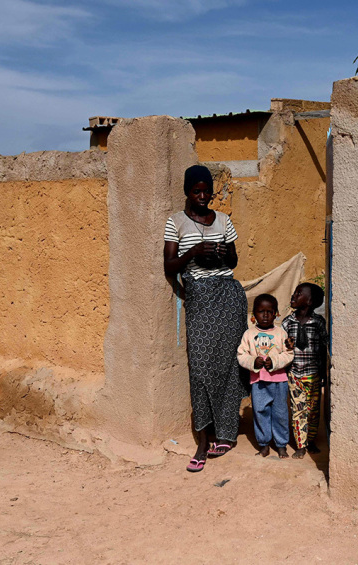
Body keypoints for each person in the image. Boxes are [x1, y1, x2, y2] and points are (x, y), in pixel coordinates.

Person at [163, 165, 247, 473]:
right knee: (200, 369)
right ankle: (203, 438)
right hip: (198, 297)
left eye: (206, 192)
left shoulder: (223, 220)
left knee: (228, 366)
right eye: (196, 191)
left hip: (228, 297)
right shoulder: (175, 222)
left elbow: (235, 260)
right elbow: (170, 266)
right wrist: (195, 251)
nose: (202, 197)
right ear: (187, 191)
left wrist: (221, 253)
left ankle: (226, 432)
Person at [237, 294, 294, 459]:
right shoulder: (248, 334)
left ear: (276, 313)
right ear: (254, 314)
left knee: (280, 413)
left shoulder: (281, 333)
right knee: (260, 412)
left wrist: (275, 362)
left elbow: (288, 353)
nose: (266, 315)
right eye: (261, 311)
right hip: (258, 382)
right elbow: (241, 355)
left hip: (279, 382)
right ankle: (264, 444)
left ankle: (281, 444)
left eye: (270, 311)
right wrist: (254, 362)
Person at [282, 283, 328, 459]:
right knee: (298, 410)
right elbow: (282, 347)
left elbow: (323, 348)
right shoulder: (287, 322)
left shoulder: (318, 322)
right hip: (294, 374)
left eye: (299, 293)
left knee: (313, 411)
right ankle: (301, 445)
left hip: (313, 374)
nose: (293, 295)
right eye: (294, 292)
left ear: (309, 301)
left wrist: (323, 372)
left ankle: (311, 440)